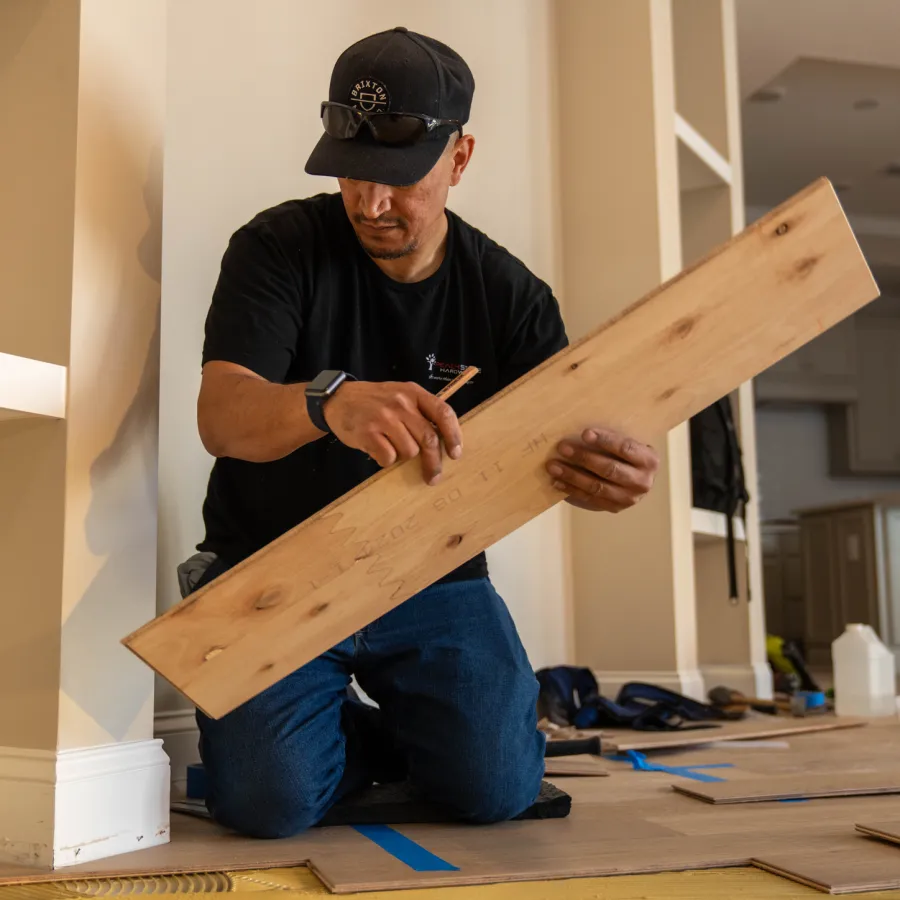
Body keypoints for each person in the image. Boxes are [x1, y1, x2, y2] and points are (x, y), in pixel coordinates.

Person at [188, 26, 659, 839]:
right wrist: (327, 403)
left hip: (433, 575)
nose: (371, 203)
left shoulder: (514, 299)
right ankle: (343, 734)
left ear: (460, 156)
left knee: (496, 792)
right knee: (267, 804)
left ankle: (410, 733)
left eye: (398, 179)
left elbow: (560, 456)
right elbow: (221, 417)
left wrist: (606, 481)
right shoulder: (276, 249)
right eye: (352, 173)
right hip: (272, 562)